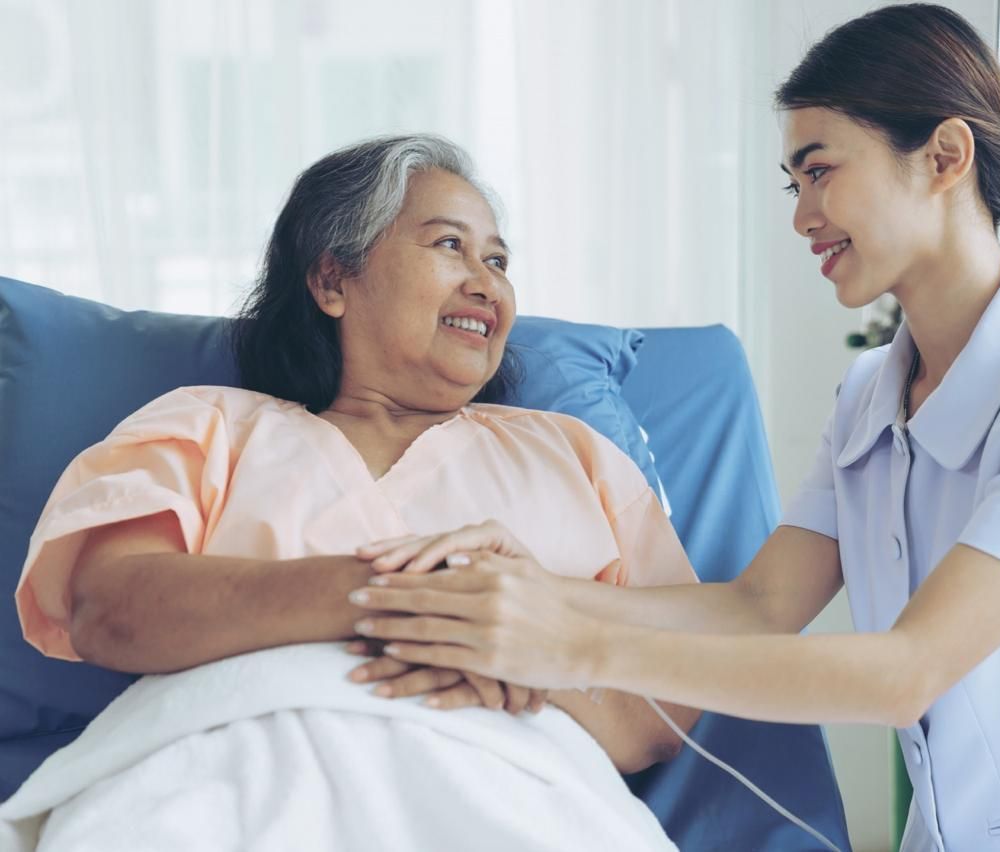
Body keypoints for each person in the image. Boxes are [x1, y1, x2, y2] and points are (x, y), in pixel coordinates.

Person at [338, 7, 1000, 851]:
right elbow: (756, 608)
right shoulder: (873, 391)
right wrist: (536, 592)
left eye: (820, 171)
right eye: (792, 182)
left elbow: (907, 672)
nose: (802, 216)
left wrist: (569, 647)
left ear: (945, 157)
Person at [9, 134, 697, 851]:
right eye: (449, 246)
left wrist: (523, 652)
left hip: (509, 798)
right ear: (333, 281)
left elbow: (665, 713)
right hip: (222, 779)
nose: (487, 283)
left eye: (497, 260)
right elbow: (111, 608)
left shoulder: (573, 455)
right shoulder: (207, 426)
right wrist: (411, 599)